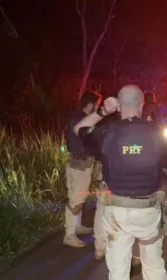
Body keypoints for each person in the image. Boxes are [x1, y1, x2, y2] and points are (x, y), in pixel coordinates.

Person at [74, 85, 167, 280]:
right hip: (148, 210)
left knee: (118, 271)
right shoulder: (157, 132)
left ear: (118, 106)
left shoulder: (106, 133)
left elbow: (79, 129)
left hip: (116, 212)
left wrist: (102, 111)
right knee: (153, 266)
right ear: (142, 103)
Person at [63, 91, 106, 260]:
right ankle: (69, 234)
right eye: (97, 104)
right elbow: (76, 145)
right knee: (76, 200)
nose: (98, 108)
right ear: (91, 105)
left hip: (81, 164)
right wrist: (89, 156)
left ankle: (77, 226)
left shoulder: (78, 117)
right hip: (79, 165)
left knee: (79, 196)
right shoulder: (79, 120)